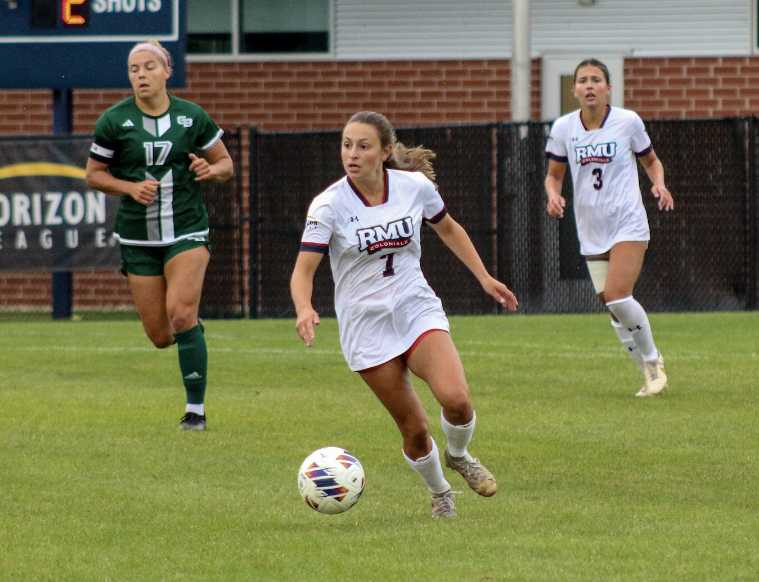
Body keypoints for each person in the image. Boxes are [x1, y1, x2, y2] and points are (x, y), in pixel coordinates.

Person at [290, 111, 518, 518]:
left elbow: (448, 228)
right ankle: (441, 492)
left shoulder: (414, 187)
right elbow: (303, 270)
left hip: (415, 308)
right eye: (346, 145)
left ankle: (460, 455)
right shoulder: (329, 205)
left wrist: (483, 276)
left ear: (385, 151)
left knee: (457, 399)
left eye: (363, 146)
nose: (352, 154)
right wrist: (305, 307)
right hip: (366, 326)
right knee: (414, 429)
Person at [86, 40, 234, 430]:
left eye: (149, 67)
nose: (141, 75)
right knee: (160, 335)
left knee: (181, 313)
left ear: (167, 71)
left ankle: (195, 412)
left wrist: (209, 170)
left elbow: (226, 165)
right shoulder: (114, 121)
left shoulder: (191, 117)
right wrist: (129, 188)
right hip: (138, 237)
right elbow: (94, 175)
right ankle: (192, 335)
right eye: (134, 69)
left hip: (186, 228)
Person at [544, 58, 675, 397]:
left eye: (596, 80)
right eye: (583, 80)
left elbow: (651, 161)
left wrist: (659, 184)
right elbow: (553, 175)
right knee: (612, 306)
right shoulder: (563, 129)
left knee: (618, 294)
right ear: (574, 90)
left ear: (608, 88)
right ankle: (646, 374)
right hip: (590, 226)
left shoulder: (627, 121)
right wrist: (553, 196)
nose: (589, 85)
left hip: (627, 221)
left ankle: (653, 362)